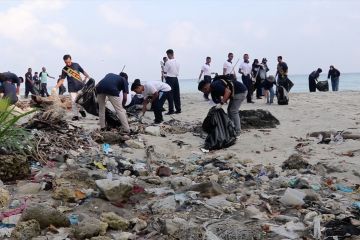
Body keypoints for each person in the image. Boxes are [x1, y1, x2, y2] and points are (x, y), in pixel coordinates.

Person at [53, 54, 90, 121]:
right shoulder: (64, 69)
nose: (68, 63)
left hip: (80, 86)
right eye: (66, 62)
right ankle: (76, 115)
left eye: (69, 62)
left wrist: (88, 77)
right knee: (73, 102)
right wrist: (56, 87)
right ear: (64, 62)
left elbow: (83, 71)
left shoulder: (76, 65)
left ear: (71, 59)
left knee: (82, 101)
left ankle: (81, 110)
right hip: (71, 87)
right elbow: (62, 80)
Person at [163, 49, 181, 115]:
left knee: (170, 95)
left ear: (169, 54)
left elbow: (165, 73)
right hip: (176, 78)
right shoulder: (178, 61)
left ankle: (171, 110)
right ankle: (178, 109)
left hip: (170, 78)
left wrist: (165, 76)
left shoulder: (168, 62)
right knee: (177, 95)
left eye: (167, 55)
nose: (167, 56)